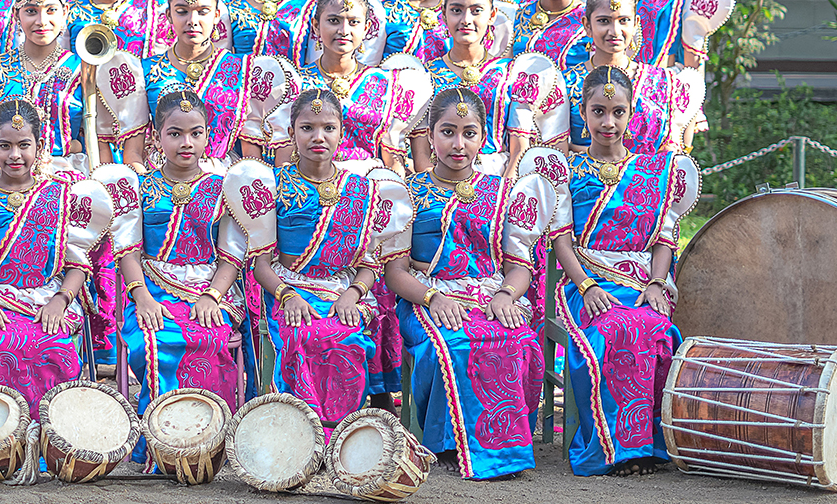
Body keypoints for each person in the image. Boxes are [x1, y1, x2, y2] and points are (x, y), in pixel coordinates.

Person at [384, 89, 564, 480]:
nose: (458, 144)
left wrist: (505, 294)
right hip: (427, 298)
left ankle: (505, 447)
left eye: (469, 133)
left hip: (488, 296)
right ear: (430, 136)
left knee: (518, 340)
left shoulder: (502, 193)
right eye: (447, 132)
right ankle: (447, 443)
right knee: (453, 343)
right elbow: (395, 273)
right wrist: (433, 298)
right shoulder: (407, 194)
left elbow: (520, 267)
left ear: (484, 138)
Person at [549, 66, 700, 476]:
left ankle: (653, 445)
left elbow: (664, 239)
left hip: (641, 282)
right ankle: (613, 449)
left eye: (618, 111)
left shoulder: (655, 171)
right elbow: (561, 239)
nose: (608, 122)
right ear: (582, 113)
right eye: (598, 111)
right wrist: (587, 285)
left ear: (632, 113)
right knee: (613, 329)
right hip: (587, 281)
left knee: (657, 328)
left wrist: (655, 282)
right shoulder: (566, 170)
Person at [250, 90, 412, 428]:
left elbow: (369, 265)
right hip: (288, 290)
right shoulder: (274, 184)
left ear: (342, 132)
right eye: (307, 128)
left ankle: (340, 432)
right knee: (303, 335)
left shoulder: (363, 190)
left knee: (347, 336)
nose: (318, 137)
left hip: (341, 292)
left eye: (328, 128)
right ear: (291, 132)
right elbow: (261, 264)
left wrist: (352, 295)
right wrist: (287, 296)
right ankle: (299, 431)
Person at [109, 91, 274, 419]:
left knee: (210, 337)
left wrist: (212, 297)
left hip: (208, 291)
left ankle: (209, 437)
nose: (186, 142)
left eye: (195, 133)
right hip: (151, 290)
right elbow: (128, 250)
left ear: (207, 137)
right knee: (153, 342)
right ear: (156, 138)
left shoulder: (223, 188)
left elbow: (231, 256)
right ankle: (159, 440)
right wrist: (141, 297)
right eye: (175, 134)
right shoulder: (140, 186)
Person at [0, 99, 114, 412]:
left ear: (39, 147)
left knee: (53, 345)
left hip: (49, 299)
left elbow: (78, 264)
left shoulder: (62, 196)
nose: (14, 155)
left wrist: (61, 300)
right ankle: (2, 445)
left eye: (24, 145)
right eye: (5, 146)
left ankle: (54, 440)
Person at [0, 0, 144, 179]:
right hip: (6, 178)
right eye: (31, 11)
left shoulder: (84, 69)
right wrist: (1, 193)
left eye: (51, 10)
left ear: (65, 12)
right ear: (17, 16)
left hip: (69, 179)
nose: (42, 21)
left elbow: (99, 143)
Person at [410, 0, 569, 178]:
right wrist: (437, 190)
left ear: (492, 15)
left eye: (476, 11)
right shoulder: (425, 75)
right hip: (439, 184)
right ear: (443, 14)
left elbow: (519, 148)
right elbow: (421, 149)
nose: (466, 20)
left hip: (495, 179)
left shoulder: (511, 73)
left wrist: (502, 194)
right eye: (457, 10)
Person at [142, 0, 296, 166]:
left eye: (202, 12)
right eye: (182, 12)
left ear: (216, 16)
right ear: (169, 15)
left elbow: (251, 155)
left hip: (224, 179)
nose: (192, 21)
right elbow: (135, 153)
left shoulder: (243, 69)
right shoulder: (146, 70)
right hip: (162, 180)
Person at [284, 0, 427, 175]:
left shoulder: (388, 85)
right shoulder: (295, 84)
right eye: (334, 21)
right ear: (316, 26)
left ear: (367, 28)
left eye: (353, 22)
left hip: (367, 193)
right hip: (309, 192)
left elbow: (393, 163)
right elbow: (285, 160)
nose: (344, 31)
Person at [564, 0, 705, 154]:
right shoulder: (566, 84)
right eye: (603, 21)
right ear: (587, 25)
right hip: (583, 180)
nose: (615, 31)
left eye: (623, 20)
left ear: (636, 23)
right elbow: (556, 150)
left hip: (646, 180)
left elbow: (671, 148)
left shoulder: (662, 81)